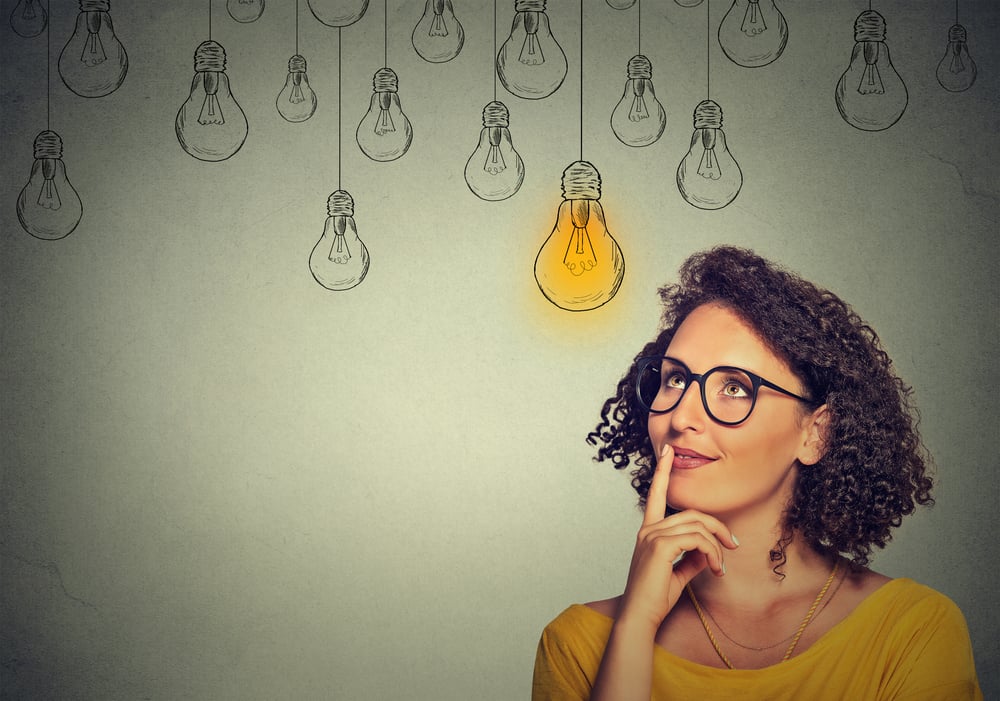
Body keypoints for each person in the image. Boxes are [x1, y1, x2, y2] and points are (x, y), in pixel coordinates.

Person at [531, 246, 982, 700]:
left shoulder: (912, 629)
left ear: (816, 434)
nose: (681, 416)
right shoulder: (578, 644)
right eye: (674, 379)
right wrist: (634, 627)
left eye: (733, 387)